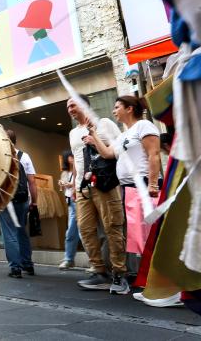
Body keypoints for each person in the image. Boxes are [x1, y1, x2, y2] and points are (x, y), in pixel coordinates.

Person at [86, 96, 161, 278]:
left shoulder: (144, 126)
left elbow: (154, 154)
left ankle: (163, 282)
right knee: (140, 237)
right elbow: (108, 153)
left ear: (129, 108)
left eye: (117, 107)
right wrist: (93, 134)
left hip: (143, 186)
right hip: (128, 189)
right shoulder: (122, 135)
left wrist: (152, 184)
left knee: (151, 235)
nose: (113, 111)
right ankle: (149, 280)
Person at [67, 95, 128, 295]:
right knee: (85, 229)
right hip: (82, 187)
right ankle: (99, 272)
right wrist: (75, 186)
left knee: (112, 227)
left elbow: (119, 150)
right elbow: (76, 162)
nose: (70, 109)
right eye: (68, 107)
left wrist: (95, 142)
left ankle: (120, 273)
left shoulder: (104, 124)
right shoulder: (72, 133)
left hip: (105, 183)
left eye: (73, 104)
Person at [0, 129, 37, 278]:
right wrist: (34, 202)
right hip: (22, 200)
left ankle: (15, 268)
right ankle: (28, 265)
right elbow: (32, 181)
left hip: (6, 201)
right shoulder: (24, 156)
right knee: (22, 232)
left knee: (10, 234)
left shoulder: (0, 157)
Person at [58, 150, 80, 270]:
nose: (71, 158)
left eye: (72, 156)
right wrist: (62, 184)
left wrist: (69, 184)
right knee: (72, 232)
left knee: (81, 232)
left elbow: (77, 184)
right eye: (69, 157)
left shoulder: (80, 168)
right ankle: (69, 259)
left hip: (79, 200)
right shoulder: (65, 172)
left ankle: (95, 262)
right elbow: (63, 187)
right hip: (70, 201)